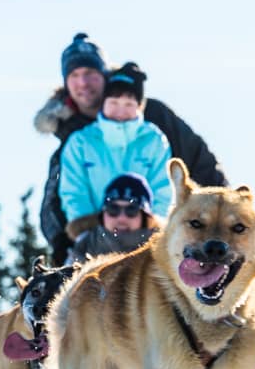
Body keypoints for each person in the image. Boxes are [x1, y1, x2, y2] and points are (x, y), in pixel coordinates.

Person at [35, 33, 228, 266]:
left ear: (105, 76)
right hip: (95, 244)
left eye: (91, 74)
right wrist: (67, 243)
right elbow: (64, 195)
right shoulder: (74, 137)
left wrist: (226, 212)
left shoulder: (154, 122)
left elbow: (198, 164)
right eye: (74, 75)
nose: (83, 83)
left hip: (153, 236)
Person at [58, 63, 171, 241]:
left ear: (139, 106)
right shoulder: (81, 142)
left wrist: (153, 228)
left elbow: (163, 188)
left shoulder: (153, 140)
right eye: (113, 102)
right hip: (97, 234)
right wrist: (85, 231)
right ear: (103, 103)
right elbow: (73, 190)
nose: (120, 110)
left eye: (128, 104)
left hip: (142, 234)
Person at [66, 173, 160, 265]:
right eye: (113, 209)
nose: (121, 218)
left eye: (131, 210)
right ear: (103, 213)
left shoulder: (161, 255)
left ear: (145, 217)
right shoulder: (82, 248)